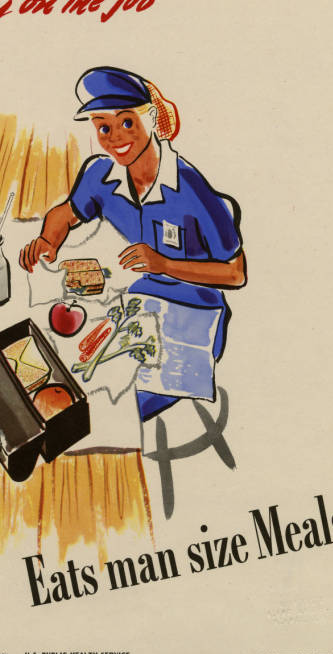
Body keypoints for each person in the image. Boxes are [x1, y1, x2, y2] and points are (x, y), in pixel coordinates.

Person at [19, 67, 246, 421]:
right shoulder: (101, 175)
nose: (114, 138)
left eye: (127, 123)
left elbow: (236, 273)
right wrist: (48, 241)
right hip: (136, 302)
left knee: (107, 411)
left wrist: (164, 264)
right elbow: (64, 214)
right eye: (103, 127)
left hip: (193, 313)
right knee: (62, 370)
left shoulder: (189, 186)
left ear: (152, 120)